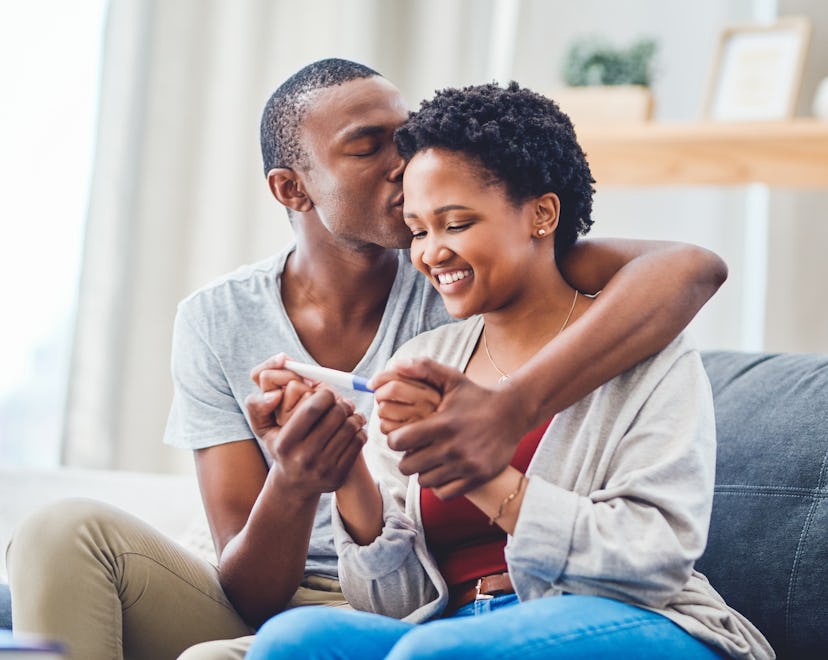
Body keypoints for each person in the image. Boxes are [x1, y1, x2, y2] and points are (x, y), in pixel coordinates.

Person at [6, 59, 727, 660]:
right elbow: (347, 587)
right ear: (291, 189)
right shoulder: (401, 332)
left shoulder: (497, 286)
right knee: (73, 540)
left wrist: (499, 429)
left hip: (538, 614)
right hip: (349, 598)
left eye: (405, 143)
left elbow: (682, 267)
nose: (403, 166)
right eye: (368, 148)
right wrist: (315, 475)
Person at [246, 81, 774, 659]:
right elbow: (394, 604)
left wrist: (484, 477)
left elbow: (653, 561)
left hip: (637, 621)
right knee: (295, 641)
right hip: (454, 626)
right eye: (419, 230)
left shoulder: (640, 352)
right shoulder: (425, 362)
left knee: (434, 655)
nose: (429, 253)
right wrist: (348, 472)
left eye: (457, 223)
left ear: (542, 214)